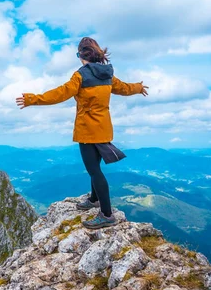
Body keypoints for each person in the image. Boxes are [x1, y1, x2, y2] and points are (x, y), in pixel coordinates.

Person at [16, 37, 149, 229]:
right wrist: (138, 87)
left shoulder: (80, 76)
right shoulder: (108, 74)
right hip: (104, 128)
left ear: (81, 55)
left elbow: (60, 93)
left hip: (87, 130)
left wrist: (32, 99)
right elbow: (124, 88)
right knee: (95, 167)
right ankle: (94, 199)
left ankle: (106, 214)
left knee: (94, 171)